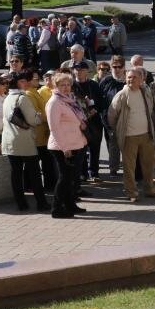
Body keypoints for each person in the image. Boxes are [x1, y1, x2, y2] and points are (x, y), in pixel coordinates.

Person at [107, 68, 155, 202]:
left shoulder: (146, 91)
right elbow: (111, 115)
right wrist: (119, 129)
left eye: (134, 77)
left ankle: (149, 189)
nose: (131, 80)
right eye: (129, 77)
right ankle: (131, 192)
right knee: (129, 167)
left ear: (142, 79)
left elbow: (150, 109)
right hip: (129, 136)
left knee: (148, 165)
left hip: (146, 134)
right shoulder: (122, 95)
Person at [2, 70, 49, 212]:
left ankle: (21, 203)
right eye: (23, 81)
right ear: (17, 83)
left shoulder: (8, 97)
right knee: (34, 173)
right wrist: (39, 116)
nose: (27, 83)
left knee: (16, 173)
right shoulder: (22, 98)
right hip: (24, 140)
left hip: (9, 141)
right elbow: (33, 120)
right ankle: (41, 203)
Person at [45, 72, 88, 219]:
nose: (66, 87)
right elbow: (54, 128)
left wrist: (81, 122)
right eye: (62, 85)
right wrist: (65, 149)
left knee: (72, 178)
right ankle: (56, 208)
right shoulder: (54, 102)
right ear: (56, 86)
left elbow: (74, 117)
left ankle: (70, 205)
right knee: (64, 178)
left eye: (68, 84)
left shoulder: (69, 99)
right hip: (62, 147)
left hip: (75, 142)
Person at [72, 61, 107, 182]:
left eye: (82, 69)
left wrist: (95, 109)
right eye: (76, 69)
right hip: (78, 123)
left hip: (94, 121)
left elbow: (103, 103)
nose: (79, 72)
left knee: (95, 148)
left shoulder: (94, 85)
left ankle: (94, 172)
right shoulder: (71, 86)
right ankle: (82, 173)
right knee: (80, 148)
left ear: (87, 71)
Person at [99, 56, 127, 175]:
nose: (116, 69)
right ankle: (113, 169)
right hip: (110, 119)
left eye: (119, 67)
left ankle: (128, 168)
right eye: (114, 67)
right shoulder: (106, 81)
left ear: (124, 67)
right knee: (112, 145)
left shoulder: (129, 80)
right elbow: (100, 101)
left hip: (127, 119)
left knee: (127, 146)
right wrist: (105, 120)